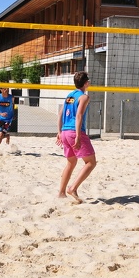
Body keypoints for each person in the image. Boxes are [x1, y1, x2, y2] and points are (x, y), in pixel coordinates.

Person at [56, 71, 96, 203]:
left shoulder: (69, 96)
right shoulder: (84, 97)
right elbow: (78, 116)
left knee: (71, 162)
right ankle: (72, 188)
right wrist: (79, 136)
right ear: (86, 83)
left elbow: (60, 114)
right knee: (91, 162)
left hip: (65, 132)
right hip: (74, 132)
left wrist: (59, 132)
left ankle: (61, 192)